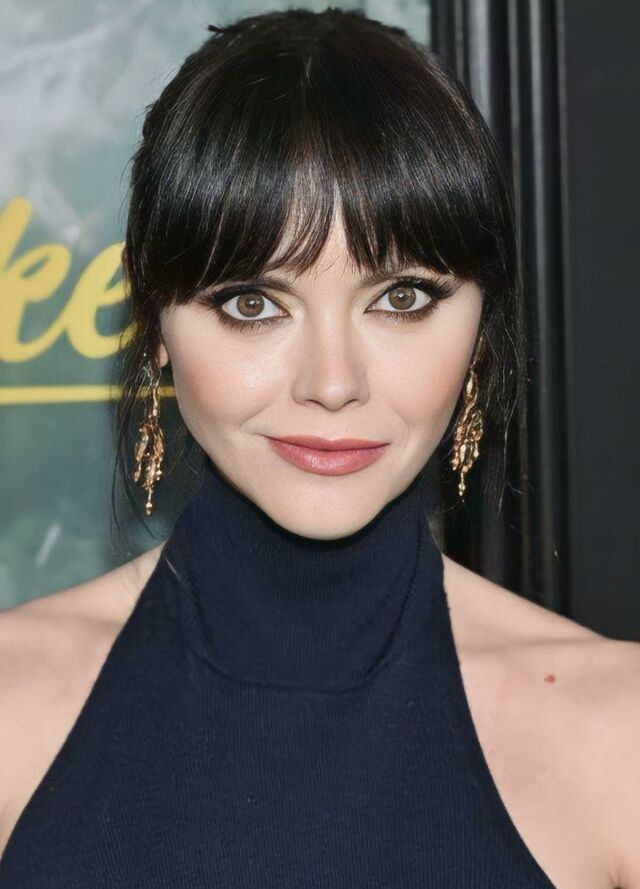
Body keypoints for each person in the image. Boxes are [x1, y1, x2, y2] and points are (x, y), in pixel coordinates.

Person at [0, 7, 638, 887]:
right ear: (155, 321)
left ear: (481, 327)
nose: (332, 382)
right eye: (253, 303)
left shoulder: (619, 735)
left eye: (402, 298)